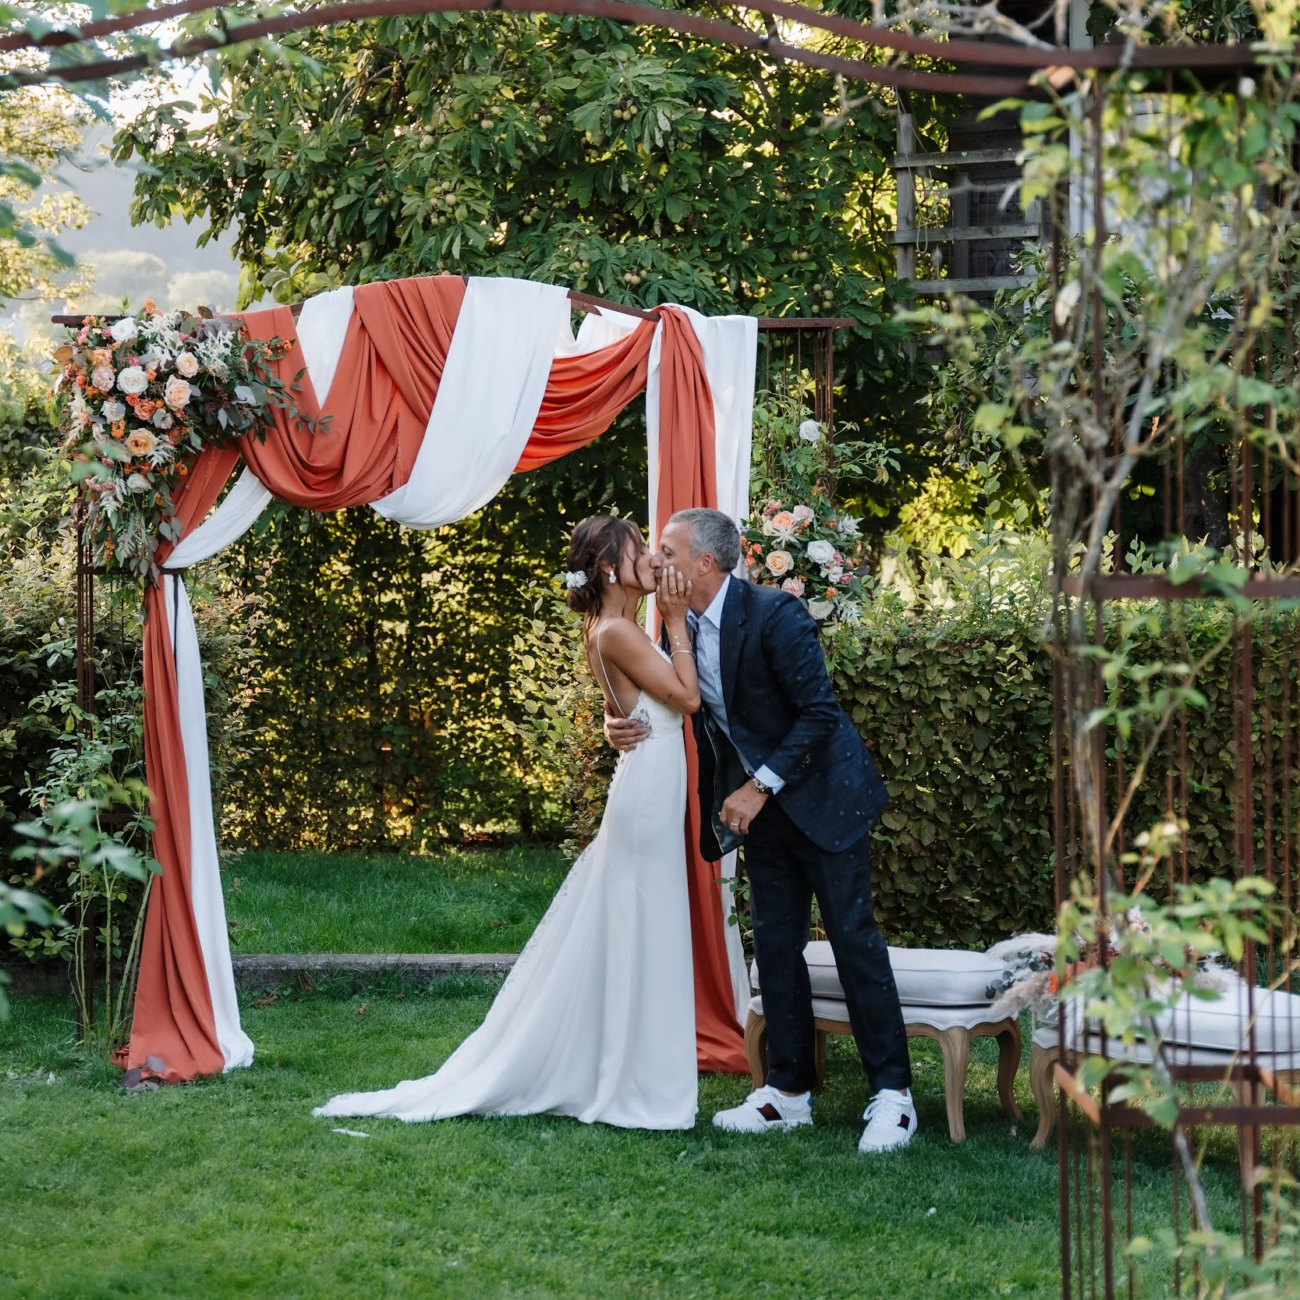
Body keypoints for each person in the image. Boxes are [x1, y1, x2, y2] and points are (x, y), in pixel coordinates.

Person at [315, 516, 704, 1130]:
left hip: (648, 781)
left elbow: (621, 708)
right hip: (650, 790)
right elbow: (686, 699)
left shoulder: (613, 629)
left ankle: (627, 1065)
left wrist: (613, 722)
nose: (655, 558)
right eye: (641, 550)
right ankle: (632, 1077)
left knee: (637, 924)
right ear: (610, 568)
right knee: (642, 922)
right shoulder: (621, 632)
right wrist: (679, 624)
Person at [605, 508, 917, 1154]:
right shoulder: (673, 628)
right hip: (764, 816)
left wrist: (757, 785)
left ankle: (893, 1097)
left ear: (705, 565)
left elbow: (819, 715)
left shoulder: (775, 614)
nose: (658, 560)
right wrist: (616, 725)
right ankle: (787, 1093)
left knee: (854, 941)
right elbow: (658, 698)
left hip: (825, 799)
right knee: (775, 947)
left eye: (667, 550)